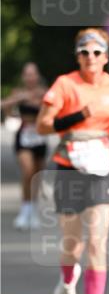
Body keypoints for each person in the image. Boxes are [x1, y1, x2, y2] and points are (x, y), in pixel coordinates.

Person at [36, 28, 109, 294]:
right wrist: (79, 115)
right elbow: (43, 126)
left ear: (105, 56)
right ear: (77, 56)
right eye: (83, 52)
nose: (89, 57)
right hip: (69, 165)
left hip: (103, 165)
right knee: (72, 243)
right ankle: (67, 280)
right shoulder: (65, 84)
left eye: (96, 52)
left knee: (97, 242)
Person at [1, 62, 48, 229]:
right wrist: (17, 100)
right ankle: (24, 210)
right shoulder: (18, 93)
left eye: (32, 74)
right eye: (27, 74)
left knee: (36, 175)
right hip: (24, 137)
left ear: (37, 76)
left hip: (40, 137)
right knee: (27, 171)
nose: (30, 77)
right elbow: (4, 106)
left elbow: (54, 110)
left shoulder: (44, 93)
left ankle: (33, 210)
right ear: (23, 77)